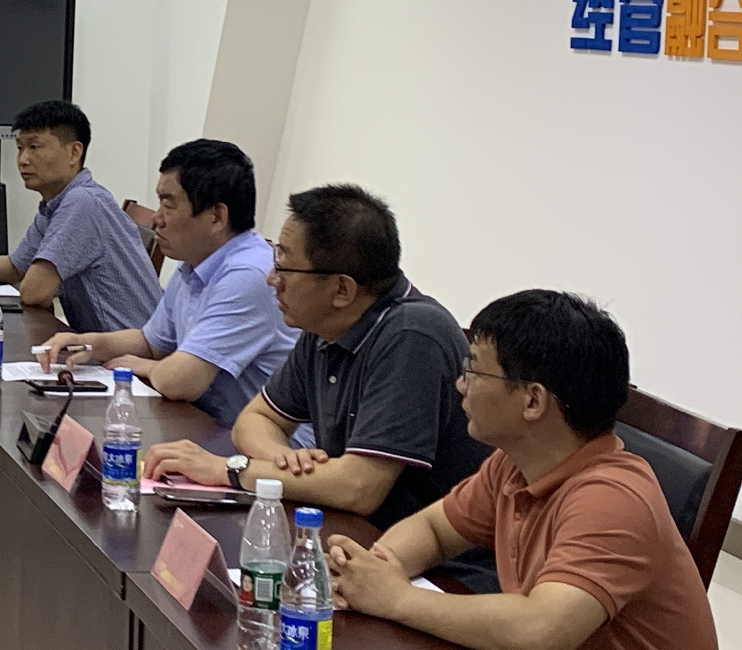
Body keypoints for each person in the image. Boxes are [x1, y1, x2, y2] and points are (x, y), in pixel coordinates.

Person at [329, 291, 721, 650]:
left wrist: (395, 598)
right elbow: (435, 529)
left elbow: (542, 632)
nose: (460, 385)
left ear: (533, 401)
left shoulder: (613, 499)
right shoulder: (514, 463)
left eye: (474, 370)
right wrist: (379, 569)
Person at [142, 185, 494, 585]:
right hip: (356, 540)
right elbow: (255, 419)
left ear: (341, 289)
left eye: (285, 267)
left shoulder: (412, 336)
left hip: (442, 575)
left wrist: (230, 469)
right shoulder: (325, 323)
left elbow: (360, 487)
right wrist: (283, 461)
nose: (271, 279)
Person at [34, 139, 295, 425]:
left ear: (217, 217)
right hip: (205, 425)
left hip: (261, 443)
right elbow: (151, 342)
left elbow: (180, 382)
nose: (157, 218)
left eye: (168, 205)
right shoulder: (195, 262)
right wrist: (87, 344)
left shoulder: (249, 276)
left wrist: (141, 366)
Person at [0, 99, 160, 332]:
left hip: (129, 350)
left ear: (74, 152)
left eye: (34, 147)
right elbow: (16, 266)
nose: (23, 160)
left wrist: (40, 289)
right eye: (20, 148)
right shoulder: (57, 202)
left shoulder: (83, 202)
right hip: (99, 344)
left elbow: (34, 292)